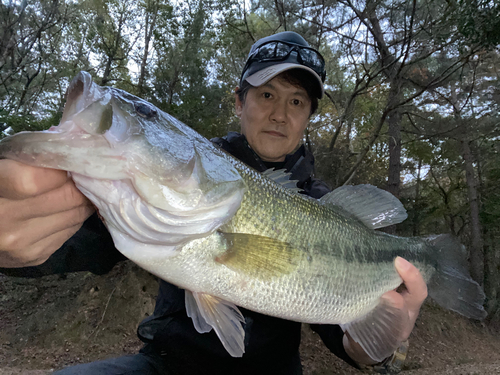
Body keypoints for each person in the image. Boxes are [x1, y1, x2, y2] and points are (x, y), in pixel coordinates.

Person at [0, 31, 427, 374]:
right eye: (266, 94)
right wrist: (11, 241)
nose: (280, 113)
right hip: (165, 364)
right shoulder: (141, 193)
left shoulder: (326, 207)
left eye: (296, 101)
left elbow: (352, 344)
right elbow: (68, 245)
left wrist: (387, 345)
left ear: (308, 117)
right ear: (239, 101)